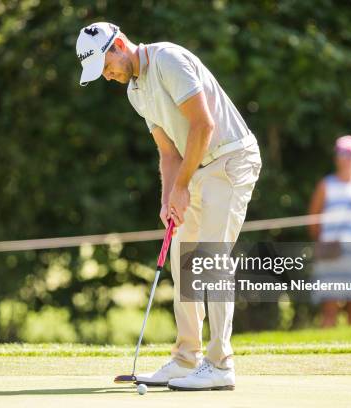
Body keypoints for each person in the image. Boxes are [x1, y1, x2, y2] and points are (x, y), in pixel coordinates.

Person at [76, 22, 261, 391]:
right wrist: (168, 199)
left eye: (106, 67)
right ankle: (185, 358)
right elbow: (167, 151)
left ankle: (220, 364)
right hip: (197, 166)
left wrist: (181, 186)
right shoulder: (135, 92)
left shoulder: (168, 60)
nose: (108, 77)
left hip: (230, 159)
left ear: (119, 45)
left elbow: (203, 125)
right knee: (184, 258)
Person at [308, 135, 351, 327]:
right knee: (329, 311)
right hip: (331, 253)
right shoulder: (325, 185)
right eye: (342, 154)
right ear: (336, 158)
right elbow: (313, 221)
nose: (346, 159)